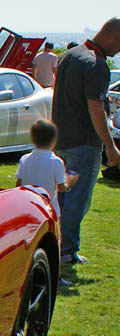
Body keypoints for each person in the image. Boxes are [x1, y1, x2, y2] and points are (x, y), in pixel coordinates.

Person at [51, 18, 120, 268]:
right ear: (113, 37)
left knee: (61, 198)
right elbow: (95, 107)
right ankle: (67, 251)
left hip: (61, 139)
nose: (118, 51)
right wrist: (110, 146)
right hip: (83, 142)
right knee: (77, 200)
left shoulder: (69, 56)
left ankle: (57, 246)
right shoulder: (96, 64)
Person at [16, 119, 77, 215]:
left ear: (32, 139)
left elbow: (19, 185)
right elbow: (61, 188)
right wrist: (69, 182)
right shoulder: (56, 162)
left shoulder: (25, 159)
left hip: (28, 207)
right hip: (48, 209)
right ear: (54, 140)